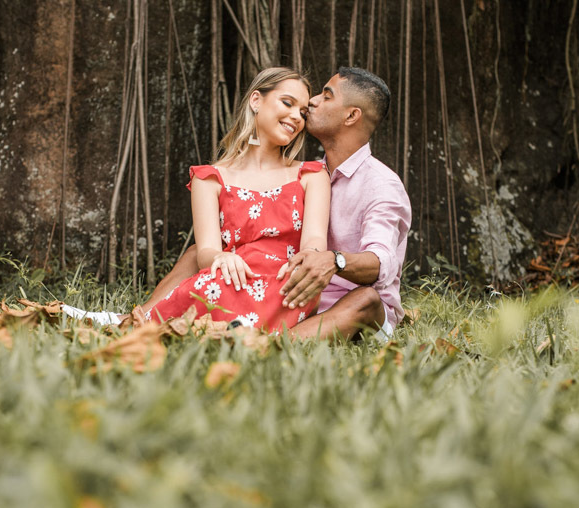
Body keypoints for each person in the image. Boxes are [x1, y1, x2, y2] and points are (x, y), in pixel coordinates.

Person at [140, 67, 411, 341]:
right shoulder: (311, 171)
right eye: (293, 103)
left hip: (345, 306)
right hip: (290, 291)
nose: (313, 103)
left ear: (351, 115)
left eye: (326, 96)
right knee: (202, 250)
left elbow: (381, 263)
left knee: (365, 299)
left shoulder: (380, 184)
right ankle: (138, 317)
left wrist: (333, 260)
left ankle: (268, 344)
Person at [144, 67, 331, 332]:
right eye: (287, 103)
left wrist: (309, 258)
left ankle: (231, 328)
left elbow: (313, 240)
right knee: (212, 285)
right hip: (231, 281)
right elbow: (205, 251)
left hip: (287, 286)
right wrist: (221, 258)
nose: (295, 117)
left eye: (302, 112)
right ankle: (144, 322)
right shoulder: (209, 178)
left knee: (298, 290)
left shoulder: (310, 175)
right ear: (256, 100)